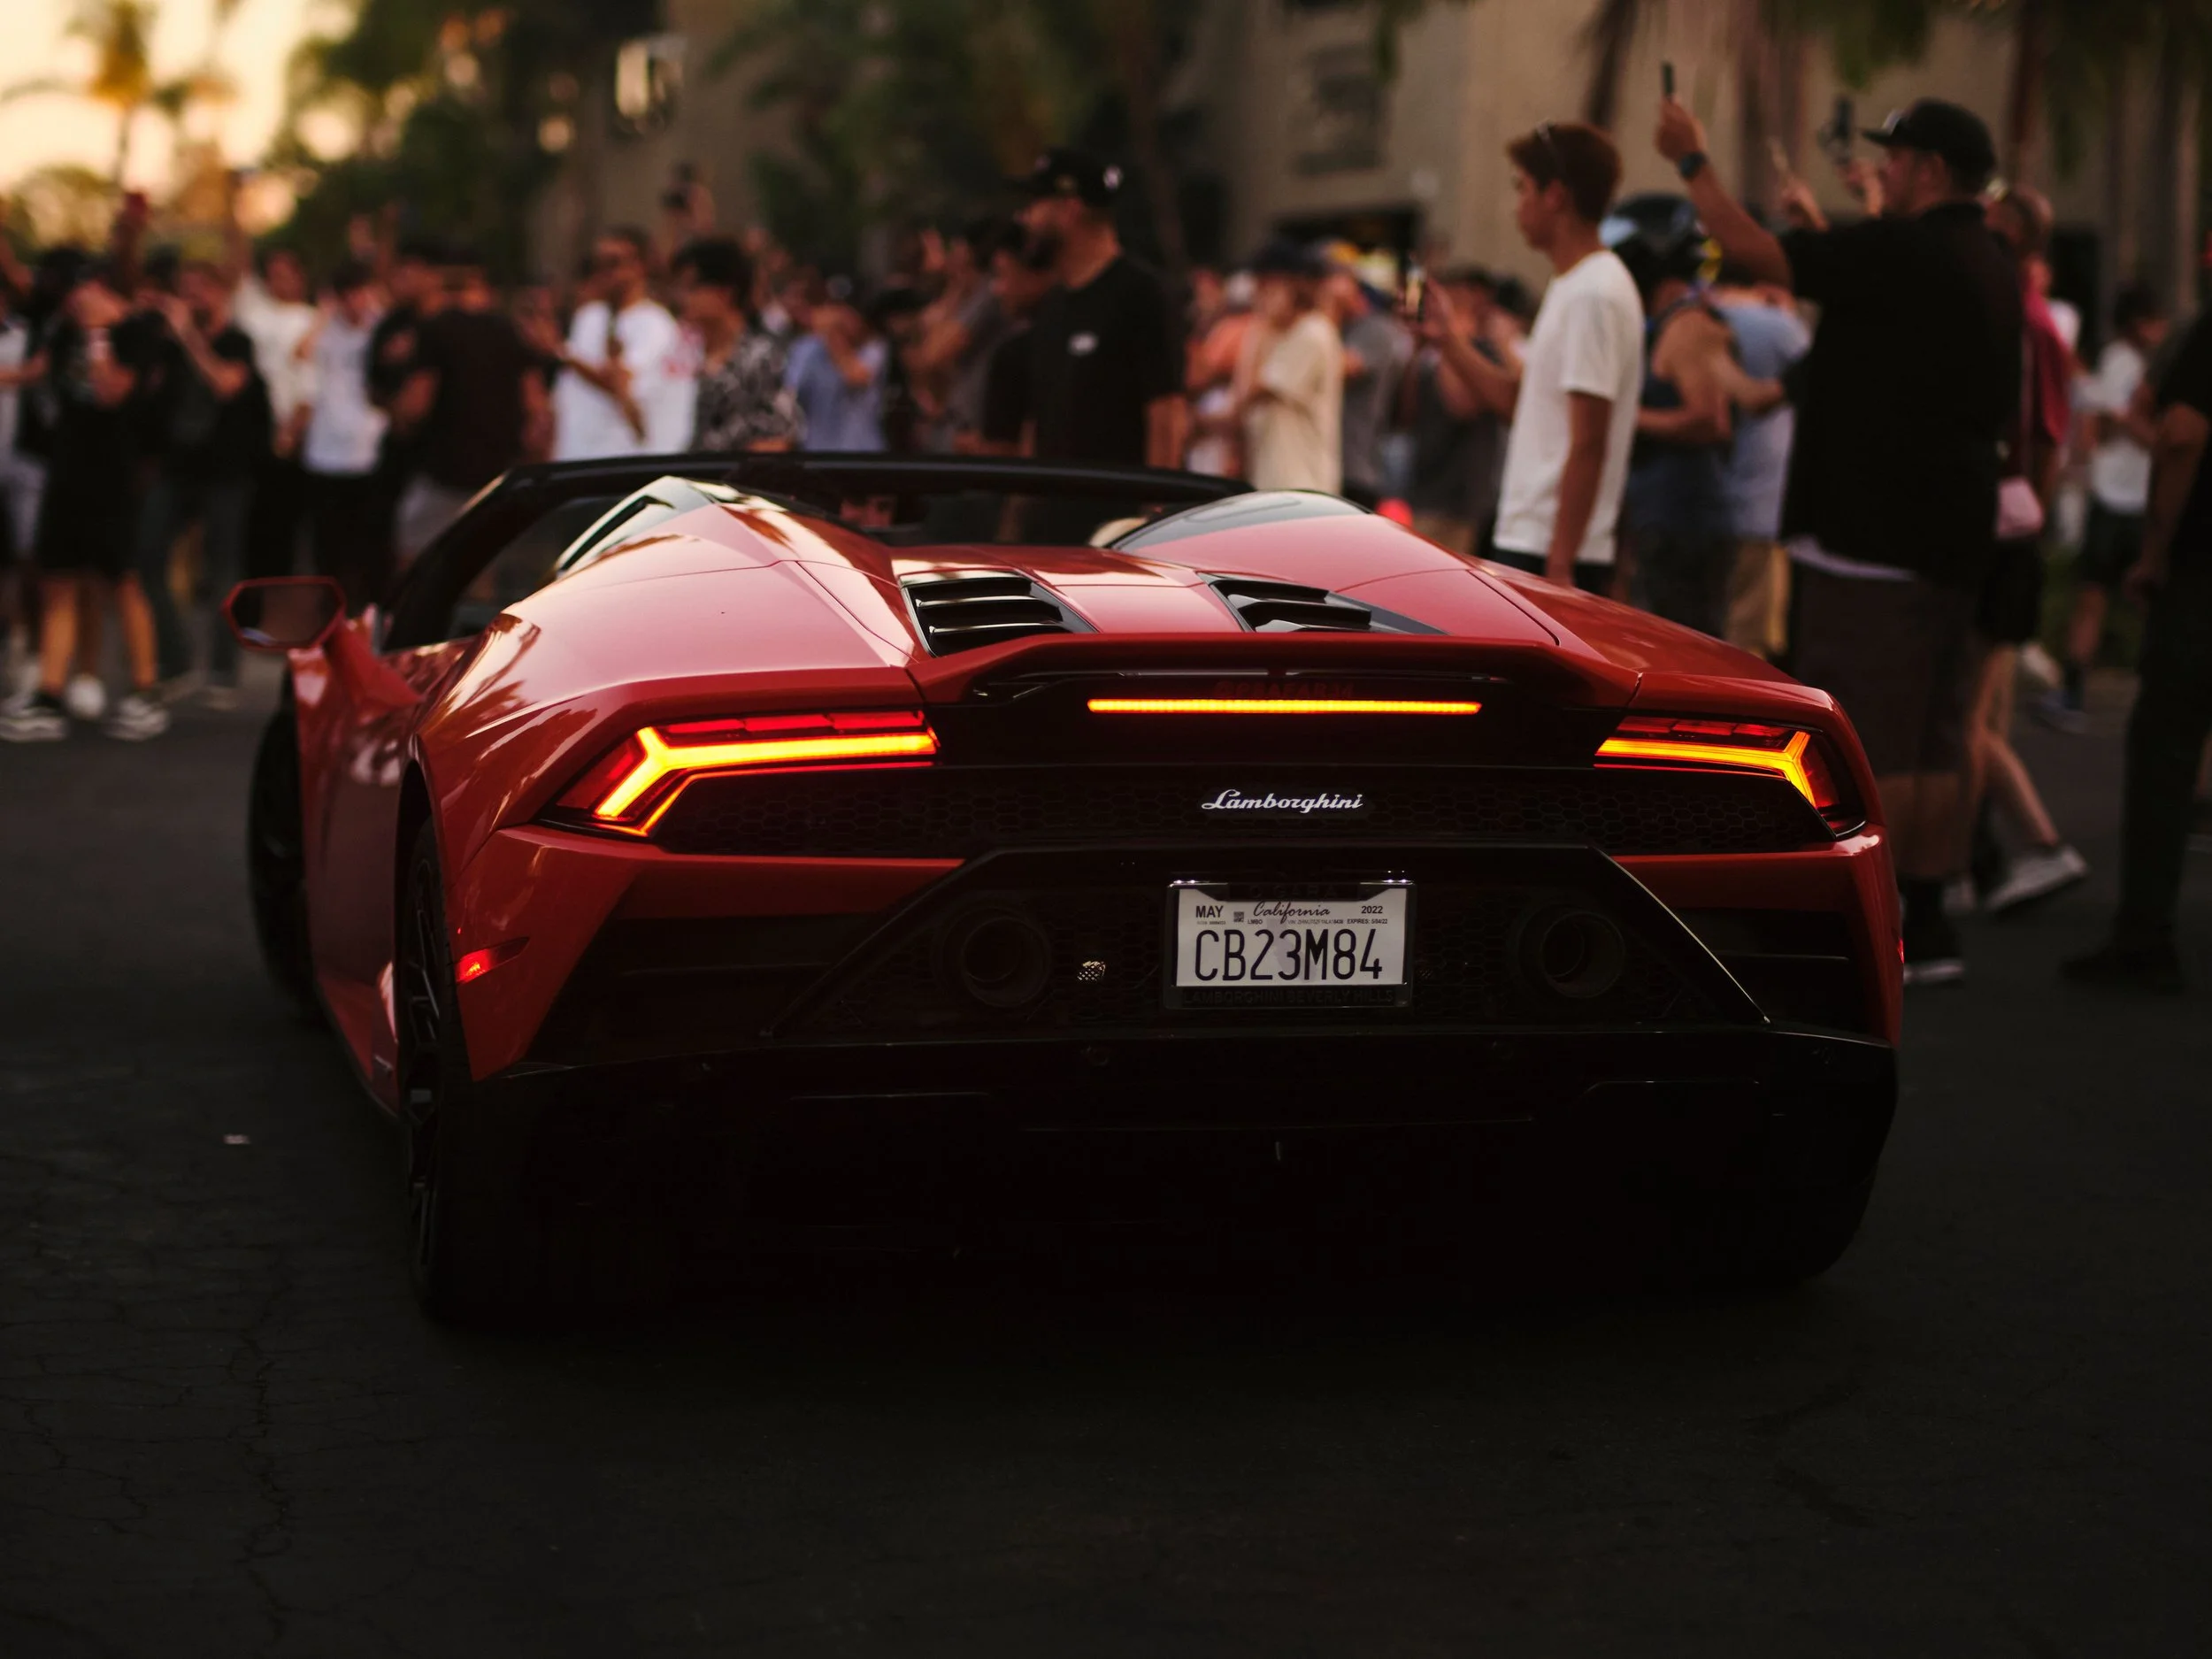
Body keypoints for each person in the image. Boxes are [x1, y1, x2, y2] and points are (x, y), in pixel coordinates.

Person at [1656, 96, 2022, 984]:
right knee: (1940, 736)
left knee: (1880, 740)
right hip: (1956, 533)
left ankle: (1877, 928)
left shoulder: (1903, 250)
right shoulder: (1992, 258)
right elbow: (1878, 302)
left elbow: (1753, 253)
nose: (1879, 174)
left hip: (1873, 545)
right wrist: (1830, 229)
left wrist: (1692, 163)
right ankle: (1929, 921)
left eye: (1891, 161)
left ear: (1928, 170)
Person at [1422, 121, 1644, 593]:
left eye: (1522, 188)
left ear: (1555, 195)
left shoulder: (1595, 292)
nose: (1516, 205)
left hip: (1552, 550)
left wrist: (1560, 566)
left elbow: (1590, 439)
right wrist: (1448, 342)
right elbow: (1523, 407)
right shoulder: (1574, 285)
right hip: (1538, 540)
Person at [2062, 310, 2212, 992]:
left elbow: (2181, 435)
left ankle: (2145, 935)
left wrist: (2154, 553)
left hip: (2203, 576)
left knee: (2166, 748)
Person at [1967, 183, 2088, 913]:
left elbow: (2045, 439)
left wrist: (2027, 523)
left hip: (2005, 536)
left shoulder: (2032, 325)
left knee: (1966, 718)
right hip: (2005, 531)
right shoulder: (2014, 314)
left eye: (1987, 227)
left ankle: (2039, 845)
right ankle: (1975, 861)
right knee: (1971, 716)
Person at [0, 266, 169, 741]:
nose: (74, 302)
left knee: (122, 581)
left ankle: (145, 689)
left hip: (112, 478)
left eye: (80, 291)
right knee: (58, 581)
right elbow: (35, 372)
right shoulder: (63, 331)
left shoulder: (135, 332)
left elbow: (112, 390)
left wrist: (98, 333)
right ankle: (50, 694)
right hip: (66, 473)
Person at [1612, 216, 1760, 637]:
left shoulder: (1687, 325)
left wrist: (1628, 417)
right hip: (1669, 520)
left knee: (1679, 650)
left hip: (1684, 523)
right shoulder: (1670, 325)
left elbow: (1711, 421)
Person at [137, 257, 269, 707]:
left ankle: (221, 669)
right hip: (176, 470)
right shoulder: (169, 345)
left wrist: (187, 335)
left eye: (200, 289)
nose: (192, 299)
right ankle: (175, 660)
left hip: (226, 474)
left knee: (223, 570)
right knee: (147, 557)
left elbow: (225, 384)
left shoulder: (236, 341)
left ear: (220, 292)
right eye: (185, 290)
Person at [2039, 282, 2170, 729]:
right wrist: (2158, 436)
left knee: (2107, 598)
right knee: (2104, 597)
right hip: (2121, 497)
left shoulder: (2143, 363)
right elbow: (2118, 419)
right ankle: (2077, 693)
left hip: (2127, 498)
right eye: (2155, 320)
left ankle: (2086, 692)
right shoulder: (2123, 361)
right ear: (2139, 323)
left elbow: (2112, 419)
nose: (2161, 328)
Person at [1013, 147, 1187, 468]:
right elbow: (1038, 421)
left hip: (1118, 512)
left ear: (1069, 210)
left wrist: (1155, 510)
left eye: (1034, 205)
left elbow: (1167, 414)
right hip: (1052, 511)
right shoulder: (1051, 305)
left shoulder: (1142, 294)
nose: (1025, 219)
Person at [389, 249, 545, 563]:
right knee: (479, 567)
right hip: (497, 472)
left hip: (445, 471)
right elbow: (536, 405)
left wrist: (398, 420)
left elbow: (417, 404)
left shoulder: (435, 329)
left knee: (414, 560)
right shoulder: (509, 331)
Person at [1710, 266, 1811, 658]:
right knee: (1748, 644)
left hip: (1701, 500)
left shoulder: (1693, 316)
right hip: (1763, 503)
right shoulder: (1779, 326)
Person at [548, 227, 694, 459]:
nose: (604, 273)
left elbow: (622, 386)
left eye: (614, 263)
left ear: (640, 267)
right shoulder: (588, 315)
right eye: (599, 264)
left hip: (617, 459)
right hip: (572, 455)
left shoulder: (656, 323)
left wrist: (560, 351)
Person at [299, 259, 391, 611]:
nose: (356, 302)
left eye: (361, 293)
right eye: (348, 295)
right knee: (329, 552)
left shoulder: (378, 328)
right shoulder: (324, 329)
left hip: (369, 452)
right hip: (325, 455)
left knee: (368, 550)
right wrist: (324, 313)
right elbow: (301, 352)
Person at [1401, 266, 1511, 557]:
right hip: (1423, 489)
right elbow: (1405, 412)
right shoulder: (1430, 347)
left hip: (1459, 499)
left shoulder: (1482, 351)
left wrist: (1453, 336)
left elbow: (1460, 405)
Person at [229, 235, 318, 580]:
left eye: (286, 272)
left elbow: (311, 379)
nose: (279, 279)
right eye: (273, 273)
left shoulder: (311, 319)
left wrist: (293, 430)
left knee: (285, 526)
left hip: (292, 433)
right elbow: (237, 264)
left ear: (300, 276)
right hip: (255, 429)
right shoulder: (255, 315)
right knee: (255, 528)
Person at [672, 237, 803, 453]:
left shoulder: (760, 357)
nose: (682, 297)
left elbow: (779, 438)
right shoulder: (676, 349)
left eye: (692, 287)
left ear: (725, 292)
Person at [1237, 240, 1344, 494]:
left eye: (1266, 287)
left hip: (1303, 488)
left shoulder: (1313, 332)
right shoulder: (1278, 333)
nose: (1259, 296)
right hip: (1274, 485)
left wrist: (1260, 324)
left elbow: (1248, 392)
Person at [1326, 256, 1413, 509]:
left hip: (1357, 469)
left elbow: (1337, 368)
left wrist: (1327, 308)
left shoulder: (1377, 329)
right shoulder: (1346, 327)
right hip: (1337, 467)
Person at [785, 283, 887, 452]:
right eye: (837, 307)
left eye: (849, 310)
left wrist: (832, 336)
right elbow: (791, 392)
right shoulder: (806, 347)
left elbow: (857, 378)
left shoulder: (875, 348)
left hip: (864, 455)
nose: (843, 317)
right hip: (817, 454)